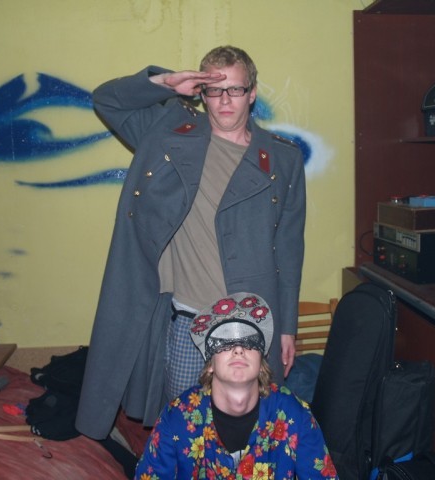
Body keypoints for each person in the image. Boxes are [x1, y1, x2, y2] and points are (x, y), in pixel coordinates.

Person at [76, 45, 306, 440]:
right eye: (214, 90)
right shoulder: (168, 132)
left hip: (249, 325)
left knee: (245, 434)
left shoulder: (283, 159)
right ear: (202, 93)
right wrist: (163, 83)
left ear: (252, 92)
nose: (225, 101)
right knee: (185, 431)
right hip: (187, 321)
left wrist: (287, 327)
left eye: (235, 89)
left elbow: (289, 247)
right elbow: (107, 100)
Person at [134, 292, 338, 479]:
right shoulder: (177, 417)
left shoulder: (294, 414)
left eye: (250, 341)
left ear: (261, 363)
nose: (238, 349)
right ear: (210, 364)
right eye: (225, 341)